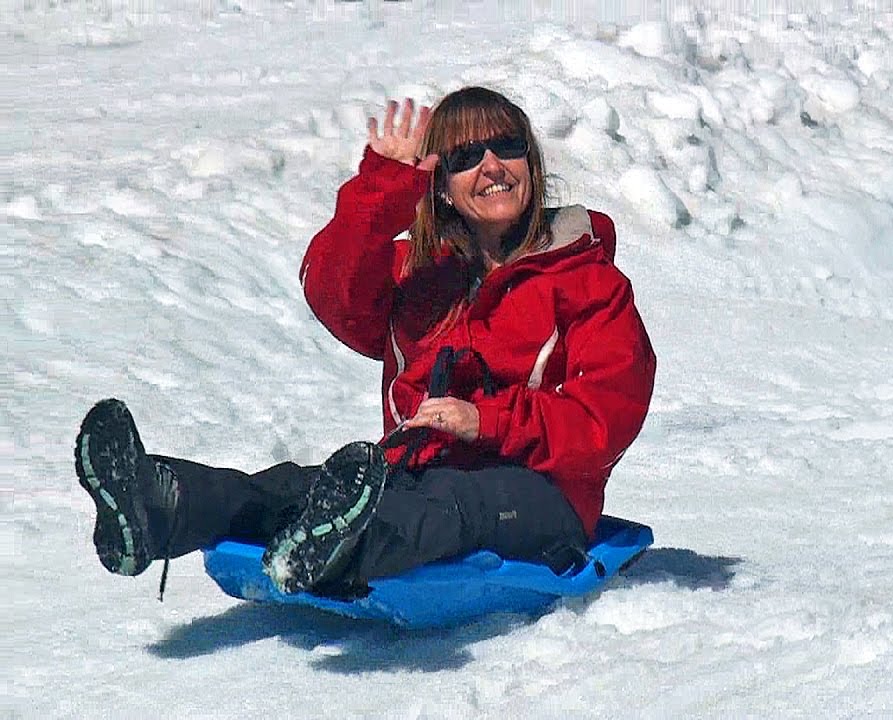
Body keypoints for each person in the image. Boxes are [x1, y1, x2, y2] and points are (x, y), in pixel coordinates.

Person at [74, 86, 657, 599]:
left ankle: (337, 549)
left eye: (507, 147)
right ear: (443, 185)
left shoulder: (590, 282)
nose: (491, 166)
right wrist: (385, 189)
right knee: (294, 486)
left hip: (541, 496)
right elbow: (330, 289)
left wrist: (488, 422)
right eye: (465, 156)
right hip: (414, 473)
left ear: (530, 161)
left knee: (450, 505)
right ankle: (162, 504)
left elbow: (606, 418)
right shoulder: (420, 272)